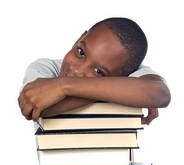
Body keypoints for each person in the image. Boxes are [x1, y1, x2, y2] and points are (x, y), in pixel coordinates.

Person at [18, 17, 171, 125]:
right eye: (81, 52)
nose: (77, 71)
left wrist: (63, 86)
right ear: (79, 38)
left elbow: (160, 94)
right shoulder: (43, 68)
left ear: (125, 75)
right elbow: (41, 107)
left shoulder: (129, 69)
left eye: (99, 71)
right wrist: (118, 92)